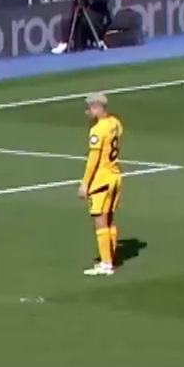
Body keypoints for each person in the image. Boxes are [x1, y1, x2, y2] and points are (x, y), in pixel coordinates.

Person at [80, 92, 125, 276]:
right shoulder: (115, 123)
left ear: (98, 107)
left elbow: (94, 158)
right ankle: (110, 258)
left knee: (100, 221)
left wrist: (85, 184)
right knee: (110, 219)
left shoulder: (97, 131)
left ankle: (106, 264)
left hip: (101, 179)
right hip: (115, 176)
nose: (87, 111)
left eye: (90, 107)